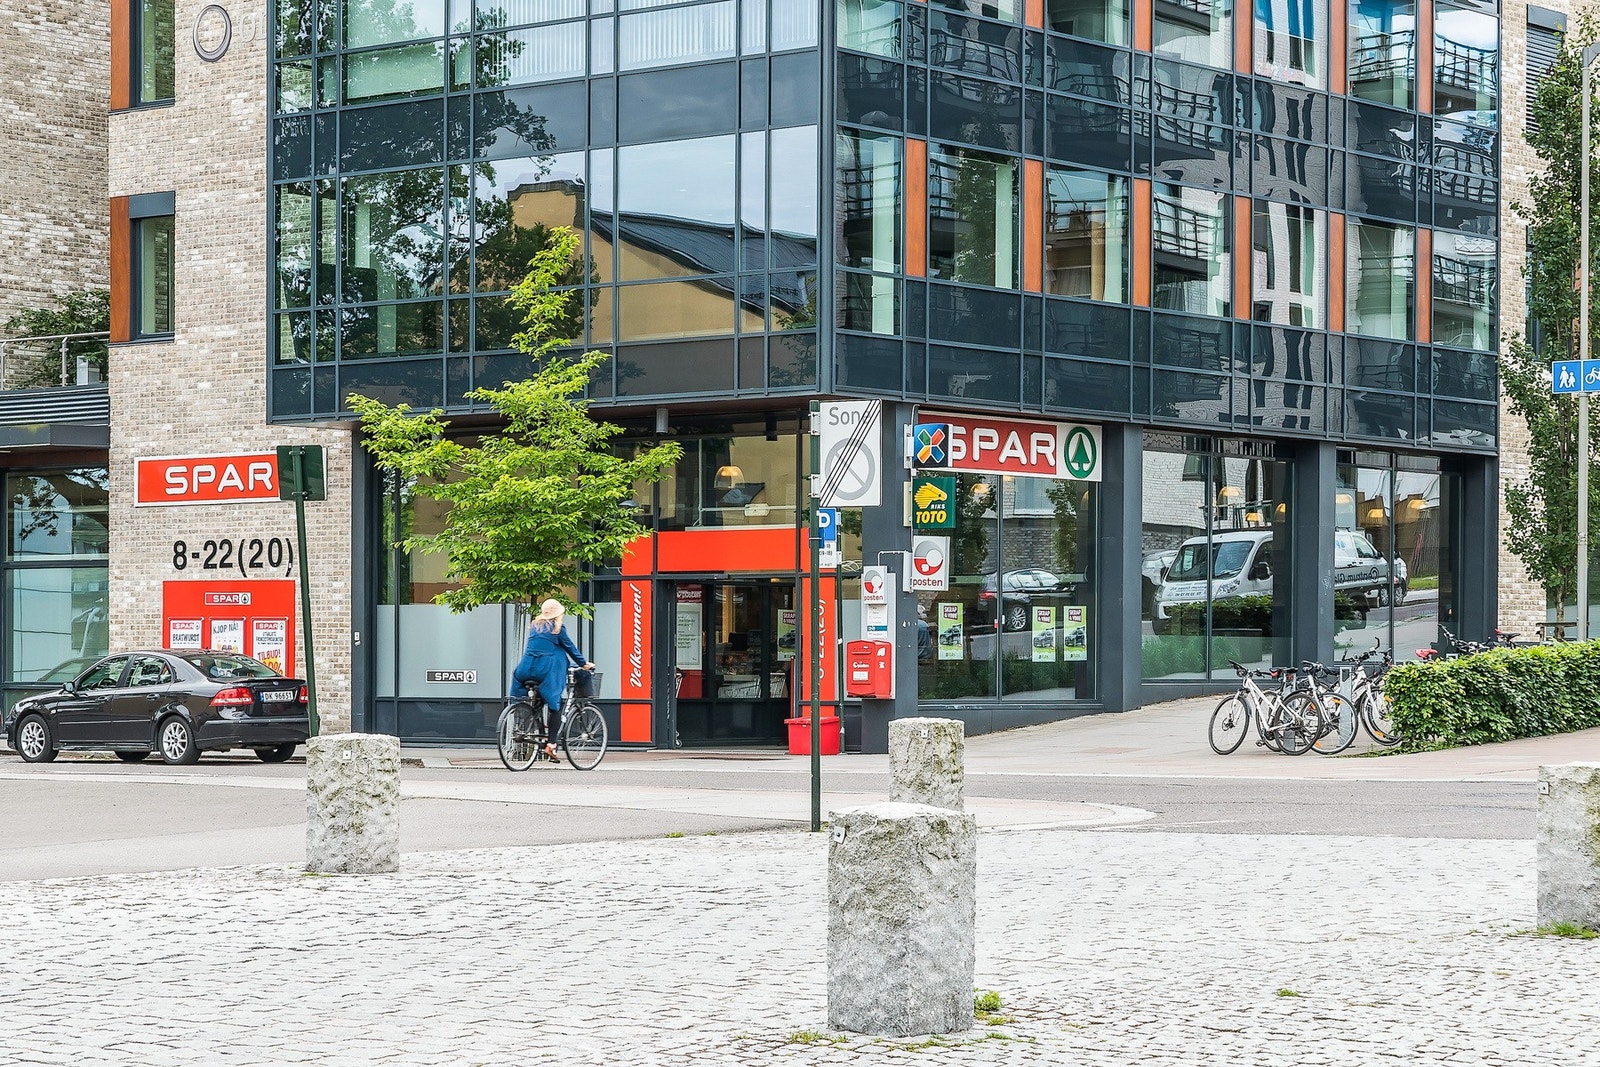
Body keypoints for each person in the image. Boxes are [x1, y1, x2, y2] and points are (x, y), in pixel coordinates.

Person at [510, 599, 594, 762]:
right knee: (556, 705)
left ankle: (529, 722)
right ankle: (551, 745)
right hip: (545, 671)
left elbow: (546, 647)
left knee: (540, 699)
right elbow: (570, 648)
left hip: (526, 669)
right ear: (558, 614)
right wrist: (584, 664)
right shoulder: (557, 628)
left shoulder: (535, 626)